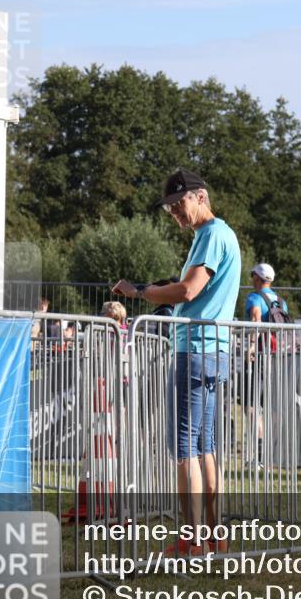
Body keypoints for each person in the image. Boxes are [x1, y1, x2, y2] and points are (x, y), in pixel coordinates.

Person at [113, 168, 241, 554]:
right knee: (205, 447)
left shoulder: (211, 234)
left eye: (178, 203)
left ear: (200, 196)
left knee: (184, 447)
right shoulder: (221, 235)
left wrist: (140, 291)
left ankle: (192, 539)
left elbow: (188, 290)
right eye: (169, 208)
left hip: (197, 349)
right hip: (215, 349)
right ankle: (214, 535)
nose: (174, 213)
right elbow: (193, 287)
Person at [243, 263, 288, 466]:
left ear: (257, 278)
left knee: (250, 405)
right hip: (279, 357)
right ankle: (275, 451)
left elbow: (255, 317)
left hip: (260, 357)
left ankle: (260, 455)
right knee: (274, 407)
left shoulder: (254, 297)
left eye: (253, 275)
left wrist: (251, 346)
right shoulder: (281, 302)